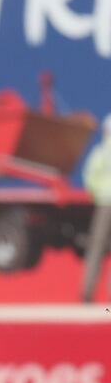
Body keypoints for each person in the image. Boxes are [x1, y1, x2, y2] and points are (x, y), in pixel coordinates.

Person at [81, 114, 111, 303]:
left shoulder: (100, 153)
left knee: (96, 249)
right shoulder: (100, 153)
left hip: (103, 205)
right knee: (97, 248)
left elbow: (89, 177)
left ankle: (87, 294)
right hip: (104, 203)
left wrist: (95, 194)